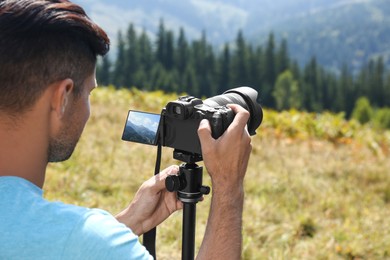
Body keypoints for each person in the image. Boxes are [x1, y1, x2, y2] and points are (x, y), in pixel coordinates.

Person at [0, 0, 252, 259]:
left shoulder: (81, 241)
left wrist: (127, 222)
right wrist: (228, 186)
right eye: (88, 93)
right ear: (61, 98)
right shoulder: (84, 238)